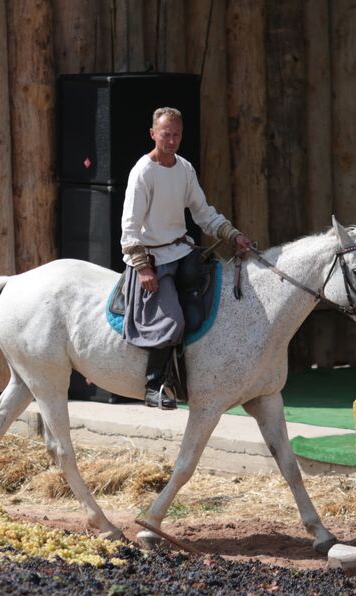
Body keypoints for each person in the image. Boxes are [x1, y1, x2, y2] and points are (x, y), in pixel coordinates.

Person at [119, 107, 255, 409]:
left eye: (176, 135)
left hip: (182, 252)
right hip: (153, 260)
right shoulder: (143, 172)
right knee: (173, 321)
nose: (171, 140)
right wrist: (142, 268)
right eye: (165, 134)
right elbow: (129, 226)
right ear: (153, 134)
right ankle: (154, 386)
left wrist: (233, 235)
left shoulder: (184, 169)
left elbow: (203, 213)